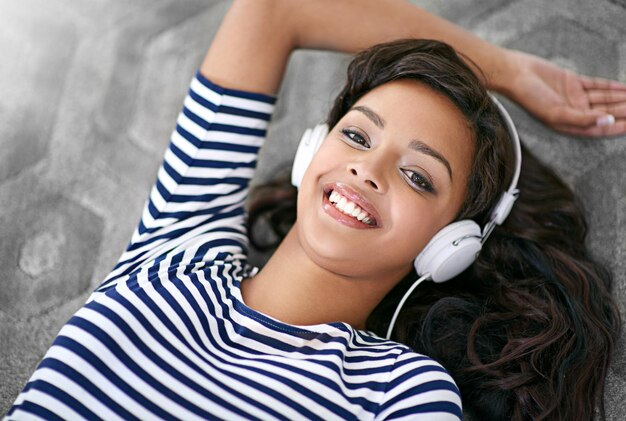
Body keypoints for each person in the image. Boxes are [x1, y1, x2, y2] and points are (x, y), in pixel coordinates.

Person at [6, 0, 624, 420]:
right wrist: (507, 71)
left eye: (417, 175)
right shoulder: (179, 242)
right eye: (356, 135)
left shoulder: (402, 394)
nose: (368, 169)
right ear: (311, 153)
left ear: (451, 246)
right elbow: (274, 10)